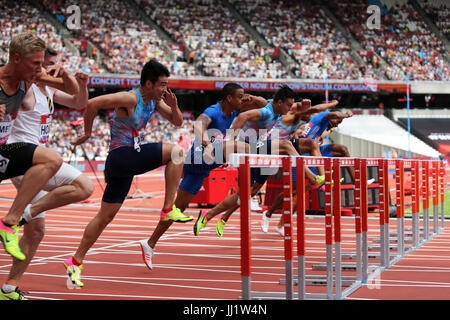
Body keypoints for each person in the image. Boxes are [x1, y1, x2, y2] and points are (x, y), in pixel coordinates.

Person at [63, 59, 190, 288]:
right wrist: (88, 133)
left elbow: (177, 122)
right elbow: (92, 104)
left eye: (166, 84)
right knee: (177, 152)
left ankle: (75, 261)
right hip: (121, 156)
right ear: (149, 83)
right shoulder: (130, 98)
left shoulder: (155, 101)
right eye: (162, 85)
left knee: (105, 217)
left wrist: (174, 104)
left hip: (126, 161)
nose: (165, 89)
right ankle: (168, 209)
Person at [139, 83, 267, 270]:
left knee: (177, 208)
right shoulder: (214, 111)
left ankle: (149, 243)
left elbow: (263, 105)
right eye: (240, 96)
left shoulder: (233, 111)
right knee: (240, 146)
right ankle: (253, 175)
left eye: (243, 97)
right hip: (197, 157)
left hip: (201, 169)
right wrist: (206, 143)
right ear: (229, 98)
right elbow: (198, 124)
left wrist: (251, 98)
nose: (243, 100)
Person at [0, 47, 94, 300]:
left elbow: (79, 103)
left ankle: (9, 288)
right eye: (41, 63)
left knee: (37, 231)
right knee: (85, 187)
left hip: (40, 158)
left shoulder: (49, 90)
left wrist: (81, 83)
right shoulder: (28, 86)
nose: (45, 68)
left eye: (51, 63)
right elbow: (31, 90)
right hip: (25, 159)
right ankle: (16, 218)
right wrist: (60, 77)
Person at [192, 86, 324, 237]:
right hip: (248, 147)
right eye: (288, 105)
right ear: (280, 102)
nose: (289, 109)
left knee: (245, 194)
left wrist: (253, 98)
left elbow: (301, 113)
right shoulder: (267, 112)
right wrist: (230, 142)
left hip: (257, 150)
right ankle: (313, 178)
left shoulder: (278, 108)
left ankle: (208, 215)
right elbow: (242, 117)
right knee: (286, 145)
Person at [0, 32, 79, 262]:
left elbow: (72, 90)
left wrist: (64, 72)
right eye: (35, 63)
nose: (40, 68)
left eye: (41, 62)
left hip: (6, 152)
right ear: (16, 59)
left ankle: (10, 222)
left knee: (51, 160)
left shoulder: (30, 78)